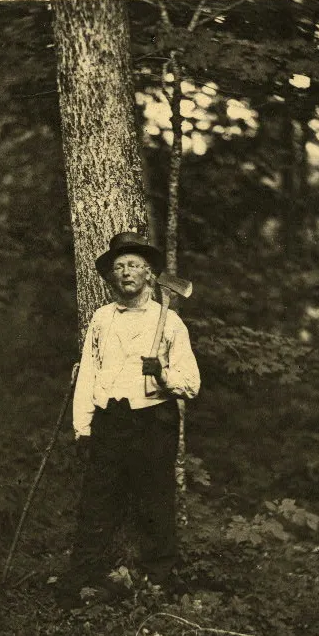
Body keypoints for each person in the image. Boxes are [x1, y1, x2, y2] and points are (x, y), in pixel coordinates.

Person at [57, 231, 200, 608]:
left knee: (155, 501)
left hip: (154, 421)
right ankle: (82, 579)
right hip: (111, 420)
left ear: (149, 274)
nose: (126, 273)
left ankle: (160, 582)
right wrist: (83, 426)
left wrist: (164, 373)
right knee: (98, 502)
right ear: (111, 277)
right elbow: (88, 373)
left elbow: (192, 383)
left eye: (134, 265)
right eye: (119, 266)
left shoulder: (170, 323)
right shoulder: (102, 320)